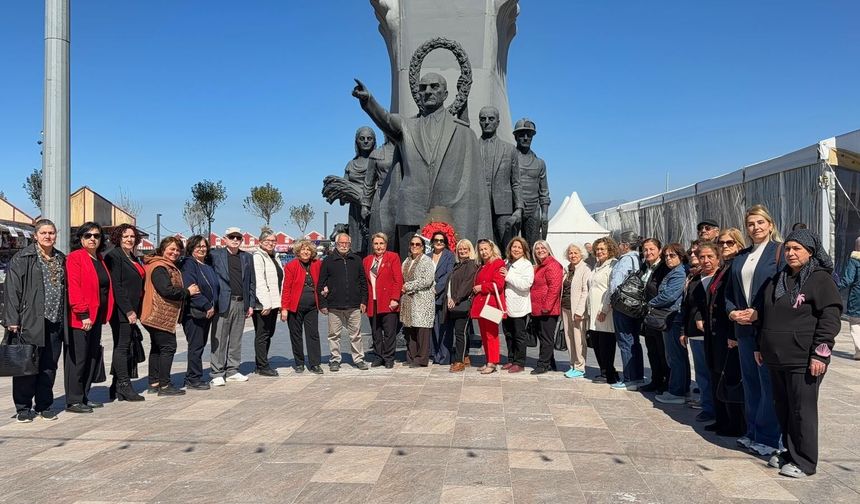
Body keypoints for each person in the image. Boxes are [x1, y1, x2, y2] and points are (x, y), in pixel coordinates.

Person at [353, 74, 493, 251]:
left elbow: (474, 183)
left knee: (446, 269)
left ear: (445, 94)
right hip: (411, 209)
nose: (428, 91)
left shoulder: (463, 132)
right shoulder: (406, 126)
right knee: (409, 267)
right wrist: (368, 101)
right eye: (423, 88)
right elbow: (386, 119)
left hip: (448, 211)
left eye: (434, 87)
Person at [755, 229, 842, 478]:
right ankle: (789, 452)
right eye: (788, 249)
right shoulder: (777, 279)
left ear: (810, 252)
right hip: (775, 355)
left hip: (803, 358)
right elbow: (764, 314)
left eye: (797, 249)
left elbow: (830, 318)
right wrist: (759, 346)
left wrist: (820, 354)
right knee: (782, 407)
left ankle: (804, 461)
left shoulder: (820, 279)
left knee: (801, 410)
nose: (791, 254)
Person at [726, 204, 783, 456]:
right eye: (750, 224)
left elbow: (782, 290)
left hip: (766, 328)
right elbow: (730, 292)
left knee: (768, 384)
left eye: (760, 222)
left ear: (770, 224)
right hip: (743, 329)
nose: (755, 227)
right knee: (750, 383)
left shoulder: (779, 253)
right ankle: (752, 432)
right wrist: (732, 312)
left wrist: (758, 311)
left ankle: (769, 438)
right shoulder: (741, 256)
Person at [3, 219, 66, 422]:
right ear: (36, 235)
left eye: (51, 233)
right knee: (26, 364)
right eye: (44, 233)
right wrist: (12, 319)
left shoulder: (61, 259)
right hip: (29, 321)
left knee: (49, 365)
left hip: (55, 320)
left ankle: (44, 405)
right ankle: (23, 407)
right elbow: (12, 291)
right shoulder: (23, 258)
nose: (48, 236)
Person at [65, 222, 114, 413]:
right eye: (88, 235)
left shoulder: (99, 258)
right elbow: (74, 288)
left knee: (91, 357)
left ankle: (84, 396)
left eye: (96, 235)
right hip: (81, 318)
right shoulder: (75, 258)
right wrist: (83, 313)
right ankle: (74, 400)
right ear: (80, 238)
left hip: (97, 317)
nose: (92, 238)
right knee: (78, 360)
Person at [141, 237, 199, 396]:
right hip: (160, 313)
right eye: (171, 249)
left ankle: (154, 382)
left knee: (157, 348)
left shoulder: (162, 264)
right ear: (162, 249)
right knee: (168, 347)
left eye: (177, 250)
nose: (175, 252)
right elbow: (166, 290)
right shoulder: (160, 266)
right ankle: (165, 385)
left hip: (158, 314)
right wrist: (188, 292)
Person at [704, 228, 747, 436]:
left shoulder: (737, 267)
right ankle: (721, 418)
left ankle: (735, 423)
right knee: (717, 374)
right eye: (721, 243)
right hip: (714, 332)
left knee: (730, 377)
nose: (725, 247)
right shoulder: (724, 268)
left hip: (728, 333)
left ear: (739, 244)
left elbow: (736, 302)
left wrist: (733, 334)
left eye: (730, 243)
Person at [208, 227, 255, 386]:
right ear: (225, 238)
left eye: (238, 237)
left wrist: (250, 304)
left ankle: (233, 370)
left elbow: (251, 282)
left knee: (236, 339)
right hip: (223, 302)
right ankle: (217, 372)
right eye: (232, 237)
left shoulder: (247, 257)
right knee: (219, 338)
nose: (235, 240)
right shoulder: (215, 255)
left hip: (241, 302)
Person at [104, 224, 145, 402]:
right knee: (122, 347)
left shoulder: (132, 256)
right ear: (118, 238)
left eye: (132, 236)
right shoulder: (115, 256)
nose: (129, 239)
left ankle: (116, 386)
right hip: (121, 310)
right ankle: (124, 385)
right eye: (125, 236)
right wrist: (128, 310)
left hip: (132, 309)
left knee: (125, 346)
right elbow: (117, 286)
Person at [318, 232, 369, 371]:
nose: (344, 245)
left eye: (347, 243)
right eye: (341, 243)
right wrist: (322, 304)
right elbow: (321, 283)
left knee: (356, 334)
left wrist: (364, 300)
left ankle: (358, 359)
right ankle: (335, 359)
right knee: (334, 335)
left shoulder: (357, 260)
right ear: (336, 244)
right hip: (334, 306)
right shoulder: (328, 261)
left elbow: (363, 282)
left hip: (354, 305)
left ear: (350, 244)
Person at [680, 242, 719, 421]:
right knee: (702, 373)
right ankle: (708, 407)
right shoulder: (694, 279)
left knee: (716, 373)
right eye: (701, 257)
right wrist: (683, 330)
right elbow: (687, 306)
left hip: (717, 333)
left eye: (710, 256)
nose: (705, 260)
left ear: (718, 258)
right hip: (696, 334)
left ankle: (721, 410)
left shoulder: (722, 277)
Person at [323, 126, 376, 255]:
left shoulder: (377, 161)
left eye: (369, 138)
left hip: (373, 207)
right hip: (355, 212)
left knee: (373, 242)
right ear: (356, 141)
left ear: (374, 141)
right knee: (357, 246)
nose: (365, 141)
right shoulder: (350, 165)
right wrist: (347, 194)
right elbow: (342, 199)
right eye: (362, 138)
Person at [651, 244, 690, 405]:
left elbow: (669, 295)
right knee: (674, 356)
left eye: (672, 255)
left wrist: (650, 303)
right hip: (670, 317)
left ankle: (677, 391)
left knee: (675, 356)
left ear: (680, 257)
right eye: (666, 256)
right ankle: (681, 388)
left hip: (673, 317)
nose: (668, 259)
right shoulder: (673, 272)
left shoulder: (679, 273)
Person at [478, 106, 522, 246]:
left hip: (503, 206)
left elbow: (516, 182)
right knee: (482, 245)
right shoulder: (472, 147)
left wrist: (519, 208)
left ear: (497, 122)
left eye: (491, 119)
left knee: (507, 245)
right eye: (483, 119)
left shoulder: (510, 149)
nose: (487, 122)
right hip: (479, 204)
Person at [180, 235, 220, 390]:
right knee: (195, 346)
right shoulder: (189, 264)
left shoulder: (207, 264)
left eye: (204, 246)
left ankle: (193, 375)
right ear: (191, 248)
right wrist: (206, 305)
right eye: (198, 246)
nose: (202, 249)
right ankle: (193, 379)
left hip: (207, 312)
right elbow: (192, 288)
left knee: (200, 345)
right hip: (195, 312)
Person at [280, 240, 324, 374]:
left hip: (312, 307)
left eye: (308, 250)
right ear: (298, 252)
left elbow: (323, 281)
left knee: (313, 335)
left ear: (312, 252)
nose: (305, 252)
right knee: (296, 335)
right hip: (295, 307)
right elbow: (286, 288)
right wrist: (284, 308)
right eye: (303, 250)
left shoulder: (317, 264)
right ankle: (299, 362)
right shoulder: (291, 265)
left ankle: (315, 363)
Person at [609, 231, 645, 390]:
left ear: (624, 245)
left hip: (623, 305)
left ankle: (629, 378)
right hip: (636, 305)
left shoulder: (624, 261)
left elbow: (615, 283)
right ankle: (637, 376)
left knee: (625, 340)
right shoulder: (639, 259)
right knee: (635, 341)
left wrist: (612, 301)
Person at [364, 232, 403, 368]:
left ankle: (388, 358)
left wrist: (395, 298)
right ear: (372, 245)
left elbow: (398, 280)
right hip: (372, 301)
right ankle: (378, 356)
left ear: (386, 244)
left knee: (389, 332)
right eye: (376, 243)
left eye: (381, 243)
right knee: (376, 332)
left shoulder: (393, 257)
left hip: (388, 301)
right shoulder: (367, 260)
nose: (379, 246)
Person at [638, 238, 670, 393]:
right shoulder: (645, 267)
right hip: (647, 315)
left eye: (651, 249)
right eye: (645, 249)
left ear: (659, 250)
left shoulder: (664, 268)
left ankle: (667, 381)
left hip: (660, 314)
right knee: (652, 349)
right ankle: (656, 379)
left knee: (662, 350)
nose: (648, 252)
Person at [471, 239, 506, 374]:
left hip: (491, 304)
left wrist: (482, 287)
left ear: (492, 249)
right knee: (484, 335)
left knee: (491, 334)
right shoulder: (482, 265)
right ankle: (488, 360)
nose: (483, 252)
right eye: (481, 249)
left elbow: (499, 284)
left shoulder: (498, 263)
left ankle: (493, 362)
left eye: (486, 249)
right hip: (481, 304)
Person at [251, 230, 284, 376]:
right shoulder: (258, 257)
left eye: (273, 241)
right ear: (260, 242)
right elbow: (260, 281)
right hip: (263, 305)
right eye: (267, 241)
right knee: (262, 334)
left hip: (273, 303)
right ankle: (262, 366)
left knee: (268, 333)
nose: (271, 243)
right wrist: (266, 303)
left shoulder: (274, 257)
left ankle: (261, 363)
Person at [587, 237, 619, 383]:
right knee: (597, 343)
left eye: (602, 249)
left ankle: (609, 373)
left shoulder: (613, 265)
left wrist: (605, 309)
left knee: (606, 344)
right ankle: (603, 370)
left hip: (604, 311)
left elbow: (610, 289)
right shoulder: (597, 265)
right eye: (597, 249)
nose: (599, 252)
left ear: (609, 250)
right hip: (593, 311)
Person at [514, 118, 551, 246]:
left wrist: (545, 214)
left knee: (533, 247)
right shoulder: (510, 159)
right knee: (510, 246)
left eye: (529, 135)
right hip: (513, 208)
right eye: (521, 135)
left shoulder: (539, 163)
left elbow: (544, 191)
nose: (525, 138)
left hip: (533, 209)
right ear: (515, 137)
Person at [400, 235, 435, 367]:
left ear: (422, 247)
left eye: (418, 244)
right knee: (410, 331)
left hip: (423, 301)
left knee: (422, 332)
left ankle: (421, 359)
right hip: (408, 301)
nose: (415, 246)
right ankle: (411, 357)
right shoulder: (406, 261)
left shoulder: (426, 261)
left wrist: (408, 286)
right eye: (412, 244)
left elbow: (427, 280)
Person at [501, 236, 534, 373]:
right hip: (506, 305)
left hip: (519, 305)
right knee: (508, 334)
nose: (516, 249)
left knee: (519, 335)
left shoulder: (526, 265)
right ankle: (511, 359)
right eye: (514, 247)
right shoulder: (506, 262)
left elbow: (526, 285)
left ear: (524, 250)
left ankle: (519, 362)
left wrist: (508, 276)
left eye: (519, 247)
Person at [446, 239, 480, 372]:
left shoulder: (471, 265)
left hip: (462, 303)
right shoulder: (458, 265)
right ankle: (465, 357)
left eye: (465, 248)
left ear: (470, 250)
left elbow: (466, 285)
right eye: (460, 249)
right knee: (462, 332)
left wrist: (455, 298)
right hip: (455, 303)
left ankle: (459, 361)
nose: (462, 251)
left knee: (460, 333)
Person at [530, 240, 563, 375]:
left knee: (546, 338)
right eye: (537, 248)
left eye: (543, 248)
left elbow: (554, 288)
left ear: (548, 249)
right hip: (538, 308)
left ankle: (543, 364)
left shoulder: (552, 265)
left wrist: (547, 307)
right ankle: (550, 362)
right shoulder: (540, 266)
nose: (540, 250)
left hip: (546, 309)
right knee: (543, 337)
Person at [562, 243, 592, 378]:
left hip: (577, 310)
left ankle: (580, 366)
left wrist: (580, 311)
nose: (572, 255)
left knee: (579, 339)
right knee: (569, 338)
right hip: (565, 307)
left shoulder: (585, 269)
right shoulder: (568, 269)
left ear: (581, 254)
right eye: (570, 253)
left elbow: (586, 291)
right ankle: (573, 364)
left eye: (575, 253)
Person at [428, 231, 455, 364]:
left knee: (444, 327)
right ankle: (434, 354)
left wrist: (436, 289)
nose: (439, 242)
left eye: (442, 241)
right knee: (432, 327)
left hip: (442, 296)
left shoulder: (449, 256)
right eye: (436, 240)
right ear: (432, 242)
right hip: (427, 297)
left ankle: (444, 357)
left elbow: (449, 274)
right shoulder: (426, 256)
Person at [836, 236, 860, 359]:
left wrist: (835, 288)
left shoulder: (854, 260)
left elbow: (848, 279)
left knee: (855, 323)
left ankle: (859, 351)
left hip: (857, 296)